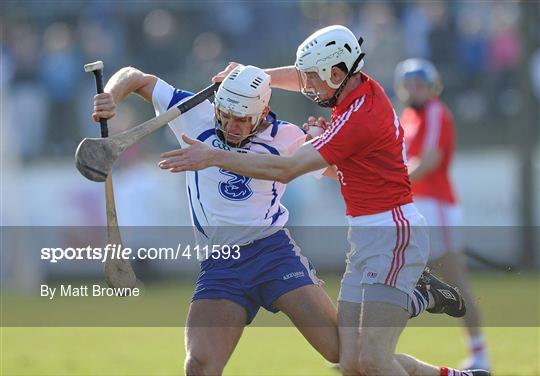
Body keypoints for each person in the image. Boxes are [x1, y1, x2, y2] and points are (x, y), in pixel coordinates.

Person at [158, 25, 490, 376]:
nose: (307, 88)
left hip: (392, 233)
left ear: (335, 73)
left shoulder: (356, 118)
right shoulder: (353, 89)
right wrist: (252, 77)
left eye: (313, 79)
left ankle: (414, 296)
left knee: (373, 361)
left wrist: (214, 157)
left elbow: (286, 170)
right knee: (351, 361)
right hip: (364, 237)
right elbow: (300, 84)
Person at [395, 58, 490, 370]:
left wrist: (394, 184)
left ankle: (479, 354)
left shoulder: (435, 111)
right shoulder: (408, 116)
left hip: (437, 207)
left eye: (420, 85)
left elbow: (432, 159)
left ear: (432, 87)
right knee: (396, 276)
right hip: (417, 206)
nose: (414, 90)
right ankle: (372, 348)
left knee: (455, 279)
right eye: (409, 85)